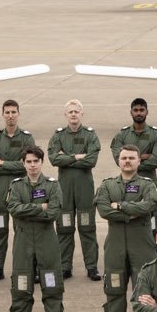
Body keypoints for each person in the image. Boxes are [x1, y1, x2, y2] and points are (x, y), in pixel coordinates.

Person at [96, 145, 157, 312]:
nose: (127, 161)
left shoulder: (147, 184)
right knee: (114, 285)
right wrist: (133, 212)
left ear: (139, 161)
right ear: (118, 160)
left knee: (143, 286)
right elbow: (104, 210)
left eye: (132, 158)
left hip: (141, 243)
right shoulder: (107, 185)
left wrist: (121, 206)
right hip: (115, 243)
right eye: (124, 158)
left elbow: (150, 205)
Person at [6, 146, 65, 312]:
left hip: (46, 239)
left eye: (35, 161)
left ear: (42, 162)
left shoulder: (52, 185)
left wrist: (27, 210)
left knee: (51, 285)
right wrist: (40, 206)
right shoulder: (16, 186)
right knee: (21, 285)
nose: (32, 165)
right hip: (23, 241)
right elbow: (13, 209)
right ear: (23, 163)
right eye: (28, 162)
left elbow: (54, 212)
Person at [0, 99, 37, 284]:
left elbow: (28, 164)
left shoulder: (26, 138)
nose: (11, 116)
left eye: (14, 112)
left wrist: (3, 163)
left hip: (20, 189)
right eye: (7, 112)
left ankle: (22, 268)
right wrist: (13, 165)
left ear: (18, 114)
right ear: (3, 114)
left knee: (21, 230)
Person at [49, 99, 102, 281]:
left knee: (87, 226)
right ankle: (65, 267)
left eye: (76, 111)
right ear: (65, 115)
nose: (73, 114)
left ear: (82, 113)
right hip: (64, 188)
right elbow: (54, 159)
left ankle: (92, 267)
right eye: (70, 111)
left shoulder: (90, 135)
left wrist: (67, 157)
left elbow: (91, 160)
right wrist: (78, 156)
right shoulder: (58, 136)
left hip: (84, 187)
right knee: (64, 227)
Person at [110, 97, 157, 187]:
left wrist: (129, 162)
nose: (139, 113)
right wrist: (144, 157)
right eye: (135, 110)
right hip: (126, 184)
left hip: (149, 184)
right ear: (131, 112)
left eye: (142, 110)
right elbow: (118, 160)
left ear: (147, 112)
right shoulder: (121, 135)